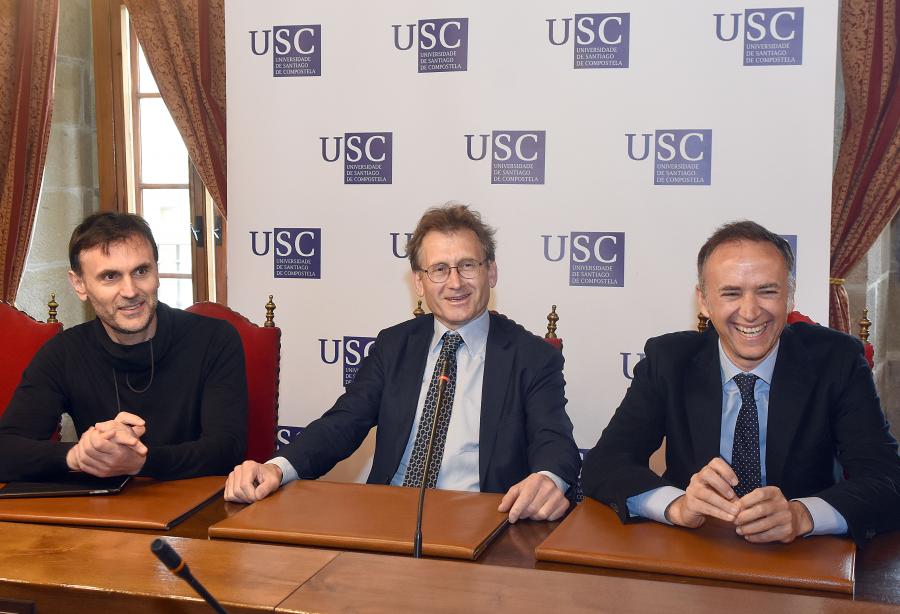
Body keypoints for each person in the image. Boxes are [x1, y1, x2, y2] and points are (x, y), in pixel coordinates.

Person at [226, 204, 581, 522]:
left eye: (467, 265)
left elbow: (555, 441)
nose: (455, 282)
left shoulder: (531, 356)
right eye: (439, 269)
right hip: (388, 517)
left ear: (491, 273)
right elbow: (343, 423)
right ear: (420, 283)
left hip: (480, 524)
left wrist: (548, 478)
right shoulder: (394, 345)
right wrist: (276, 468)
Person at [582, 220, 900, 545]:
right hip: (694, 550)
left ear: (789, 297)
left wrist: (802, 515)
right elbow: (605, 463)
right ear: (704, 301)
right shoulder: (669, 360)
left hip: (802, 558)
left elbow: (887, 478)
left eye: (767, 291)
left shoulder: (838, 360)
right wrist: (676, 505)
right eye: (731, 293)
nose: (750, 312)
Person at [0, 212, 247, 481]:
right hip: (101, 513)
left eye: (141, 271)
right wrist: (79, 456)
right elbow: (6, 450)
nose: (130, 291)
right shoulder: (63, 353)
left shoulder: (214, 339)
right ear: (80, 284)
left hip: (196, 509)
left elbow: (227, 450)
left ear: (157, 270)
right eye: (110, 277)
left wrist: (139, 462)